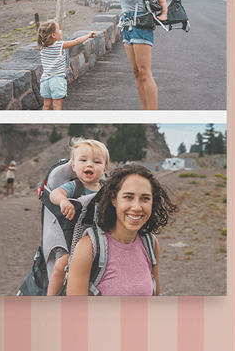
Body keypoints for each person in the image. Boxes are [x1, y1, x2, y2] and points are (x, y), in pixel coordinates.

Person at [65, 164, 178, 296]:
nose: (137, 207)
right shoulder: (88, 248)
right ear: (114, 199)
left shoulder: (150, 244)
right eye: (128, 197)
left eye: (145, 198)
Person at [46, 138, 109, 295]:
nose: (89, 165)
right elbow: (55, 193)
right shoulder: (74, 187)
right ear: (73, 166)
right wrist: (63, 201)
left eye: (96, 162)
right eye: (83, 160)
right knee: (62, 265)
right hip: (70, 238)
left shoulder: (107, 189)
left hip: (97, 238)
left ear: (104, 168)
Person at [36, 20, 95, 110]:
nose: (61, 31)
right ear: (53, 35)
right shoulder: (60, 45)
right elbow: (77, 41)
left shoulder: (42, 46)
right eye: (59, 30)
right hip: (56, 81)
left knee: (46, 105)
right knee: (57, 106)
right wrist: (88, 35)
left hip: (45, 80)